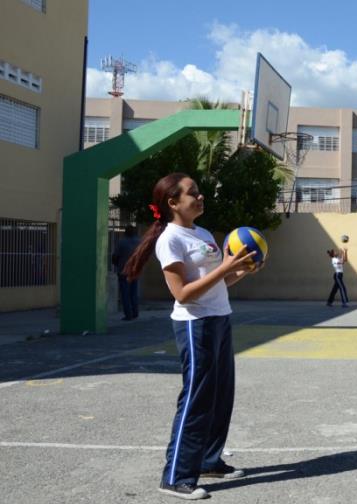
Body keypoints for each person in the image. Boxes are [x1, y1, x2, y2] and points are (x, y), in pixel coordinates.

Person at [122, 173, 259, 500]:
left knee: (221, 395)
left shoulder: (204, 233)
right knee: (197, 398)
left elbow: (216, 283)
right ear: (173, 202)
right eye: (192, 193)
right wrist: (225, 268)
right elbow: (182, 293)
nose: (200, 197)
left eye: (199, 192)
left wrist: (240, 271)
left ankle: (209, 460)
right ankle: (175, 476)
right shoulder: (170, 240)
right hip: (194, 325)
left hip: (220, 319)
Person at [112, 225, 141, 321]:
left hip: (123, 271)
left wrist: (116, 264)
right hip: (135, 270)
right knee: (133, 292)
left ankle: (128, 314)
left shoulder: (122, 242)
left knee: (125, 294)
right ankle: (135, 312)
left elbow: (115, 256)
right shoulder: (138, 242)